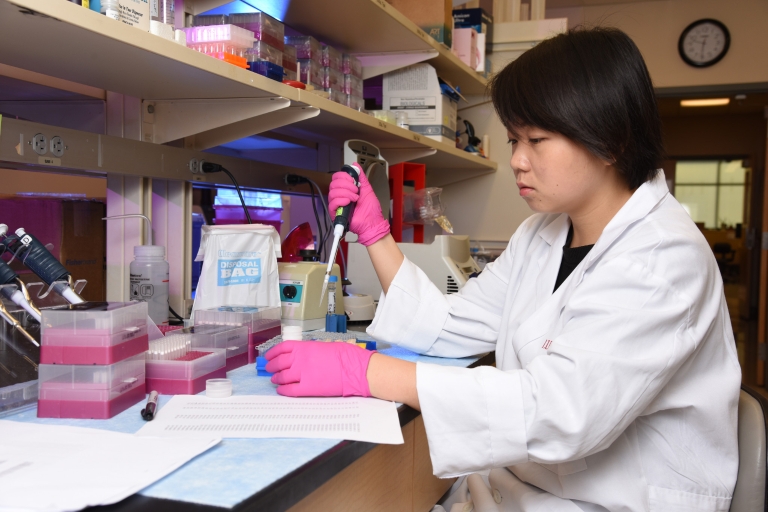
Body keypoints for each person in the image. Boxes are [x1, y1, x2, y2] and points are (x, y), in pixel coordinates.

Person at [265, 27, 741, 511]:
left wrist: (365, 373)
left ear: (610, 139)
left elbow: (558, 411)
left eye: (536, 139)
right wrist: (376, 235)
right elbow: (448, 325)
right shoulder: (543, 234)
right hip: (523, 490)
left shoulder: (663, 258)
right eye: (515, 139)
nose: (517, 160)